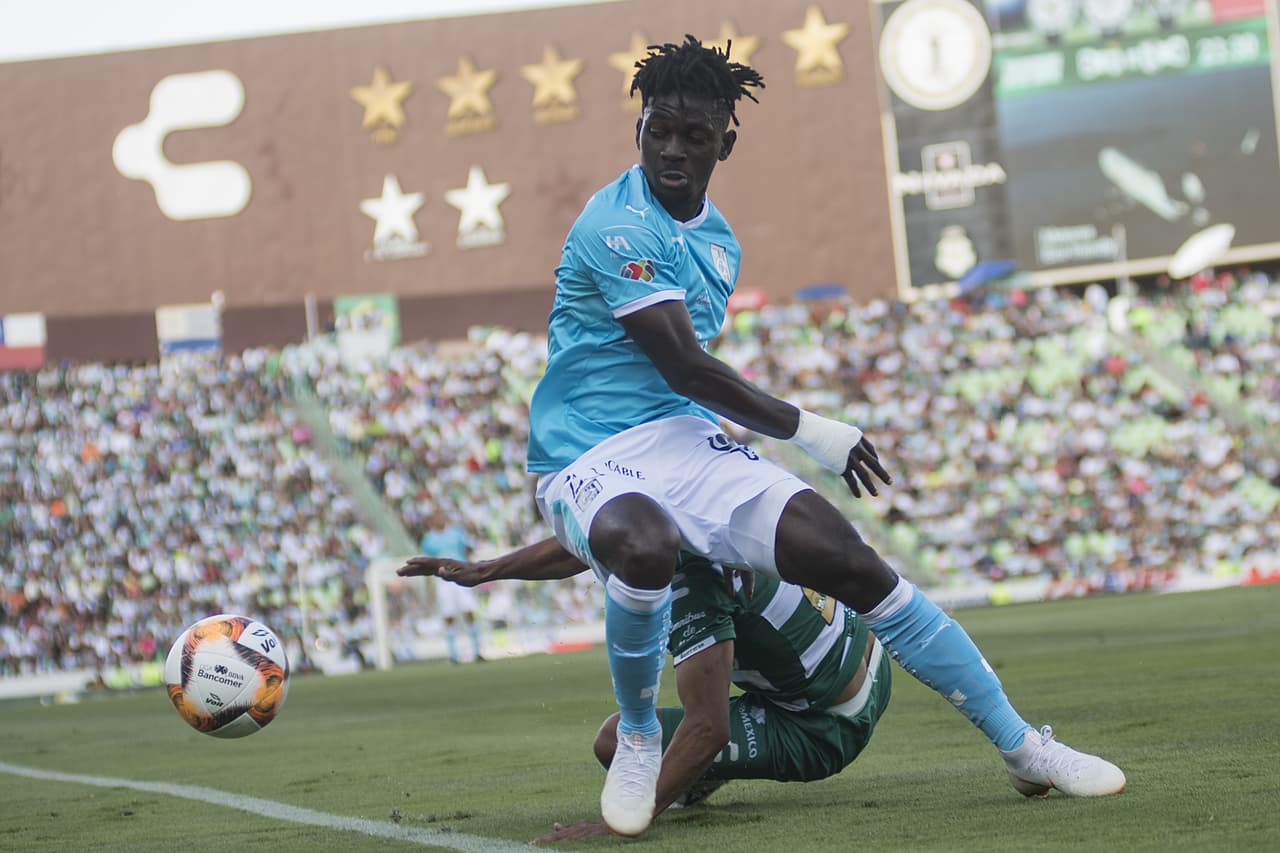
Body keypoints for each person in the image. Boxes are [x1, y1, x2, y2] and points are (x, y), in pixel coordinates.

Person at [513, 35, 1122, 835]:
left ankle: (1022, 745)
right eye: (657, 128)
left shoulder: (719, 242)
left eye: (693, 135)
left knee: (847, 558)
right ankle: (636, 733)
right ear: (639, 127)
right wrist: (817, 432)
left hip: (677, 436)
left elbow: (684, 392)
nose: (671, 148)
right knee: (645, 540)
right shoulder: (614, 225)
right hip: (584, 450)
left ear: (725, 141)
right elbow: (688, 366)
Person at [401, 550, 892, 843]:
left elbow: (709, 726)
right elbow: (590, 543)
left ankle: (690, 778)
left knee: (617, 743)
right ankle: (697, 775)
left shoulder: (687, 587)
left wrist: (629, 819)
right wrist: (487, 570)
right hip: (867, 659)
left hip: (824, 724)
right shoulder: (687, 520)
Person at [419, 511, 485, 664]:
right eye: (437, 517)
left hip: (462, 576)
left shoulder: (456, 533)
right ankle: (453, 655)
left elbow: (468, 551)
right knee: (448, 616)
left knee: (469, 611)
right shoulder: (428, 540)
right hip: (443, 581)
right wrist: (429, 588)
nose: (441, 519)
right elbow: (427, 564)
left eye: (442, 517)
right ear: (432, 521)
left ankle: (477, 651)